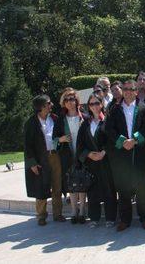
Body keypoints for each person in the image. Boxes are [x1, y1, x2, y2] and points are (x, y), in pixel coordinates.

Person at [104, 79, 145, 231]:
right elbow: (109, 129)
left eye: (131, 89)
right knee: (123, 188)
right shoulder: (114, 109)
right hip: (121, 154)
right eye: (125, 89)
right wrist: (123, 141)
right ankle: (125, 220)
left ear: (136, 91)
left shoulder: (143, 108)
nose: (127, 92)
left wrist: (135, 141)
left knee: (142, 188)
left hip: (138, 153)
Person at [77, 92, 117, 228]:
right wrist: (89, 155)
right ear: (88, 106)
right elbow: (80, 145)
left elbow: (113, 140)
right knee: (92, 191)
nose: (94, 106)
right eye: (91, 104)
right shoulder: (85, 124)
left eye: (96, 103)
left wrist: (104, 152)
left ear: (101, 104)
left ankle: (110, 218)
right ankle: (94, 217)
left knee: (109, 190)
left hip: (106, 162)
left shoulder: (108, 120)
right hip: (91, 163)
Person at [24, 95, 65, 225]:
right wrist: (32, 163)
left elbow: (59, 136)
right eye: (48, 103)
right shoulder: (31, 123)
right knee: (41, 187)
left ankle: (58, 214)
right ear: (41, 107)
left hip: (55, 156)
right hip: (40, 159)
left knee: (57, 186)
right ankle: (41, 215)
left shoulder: (55, 119)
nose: (51, 105)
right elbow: (27, 145)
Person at [54, 88, 88, 224]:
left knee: (83, 183)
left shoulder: (84, 117)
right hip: (67, 156)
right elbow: (53, 139)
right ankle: (74, 211)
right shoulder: (60, 120)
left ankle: (82, 211)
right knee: (72, 184)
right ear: (63, 102)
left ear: (76, 101)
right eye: (66, 99)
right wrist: (60, 139)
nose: (69, 102)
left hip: (82, 155)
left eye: (72, 99)